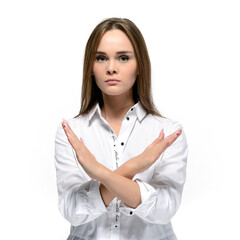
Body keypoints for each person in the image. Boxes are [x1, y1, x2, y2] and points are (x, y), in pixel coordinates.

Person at [54, 17, 188, 240]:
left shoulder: (168, 133)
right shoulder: (71, 132)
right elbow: (73, 211)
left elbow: (165, 209)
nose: (111, 68)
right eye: (101, 58)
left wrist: (99, 172)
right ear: (91, 67)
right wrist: (134, 167)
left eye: (123, 58)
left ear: (139, 67)